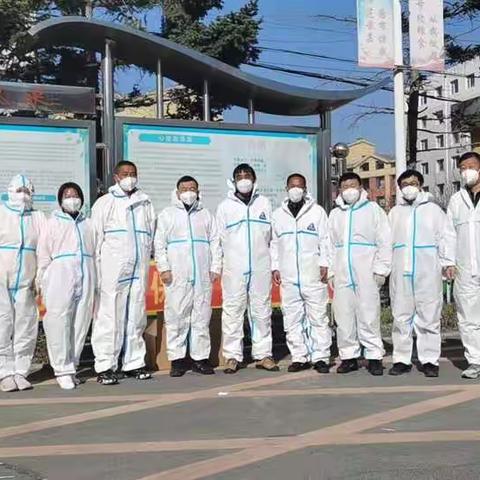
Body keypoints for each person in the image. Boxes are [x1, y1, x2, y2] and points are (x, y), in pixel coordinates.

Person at [91, 161, 156, 385]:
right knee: (109, 317)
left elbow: (151, 233)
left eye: (133, 174)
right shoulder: (105, 203)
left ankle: (133, 362)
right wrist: (96, 273)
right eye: (125, 174)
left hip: (138, 268)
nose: (130, 177)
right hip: (112, 270)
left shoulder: (144, 203)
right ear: (116, 177)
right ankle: (105, 365)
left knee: (136, 316)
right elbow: (96, 239)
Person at [389, 170, 455, 378]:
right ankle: (401, 359)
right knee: (400, 317)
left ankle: (429, 360)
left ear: (420, 185)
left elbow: (447, 238)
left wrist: (448, 263)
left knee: (429, 316)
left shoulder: (434, 211)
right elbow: (385, 243)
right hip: (401, 272)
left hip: (428, 271)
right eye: (405, 184)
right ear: (399, 188)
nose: (409, 187)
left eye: (413, 183)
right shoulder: (395, 213)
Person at [155, 176, 221, 377]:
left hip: (202, 275)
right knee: (177, 315)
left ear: (198, 192)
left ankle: (200, 359)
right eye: (184, 189)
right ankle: (177, 360)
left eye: (192, 188)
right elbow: (159, 244)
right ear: (177, 192)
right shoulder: (167, 214)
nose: (189, 192)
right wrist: (164, 268)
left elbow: (215, 242)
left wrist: (215, 266)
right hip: (177, 275)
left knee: (201, 316)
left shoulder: (206, 215)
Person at [216, 164, 278, 373]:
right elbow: (219, 239)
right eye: (239, 176)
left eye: (247, 175)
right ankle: (233, 356)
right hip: (234, 267)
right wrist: (219, 265)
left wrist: (272, 263)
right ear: (233, 181)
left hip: (260, 265)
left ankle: (263, 354)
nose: (243, 179)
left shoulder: (264, 203)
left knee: (261, 310)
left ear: (254, 178)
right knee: (233, 310)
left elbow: (271, 237)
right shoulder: (225, 206)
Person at [328, 172, 391, 376]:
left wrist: (381, 269)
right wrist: (331, 272)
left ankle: (373, 356)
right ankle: (348, 356)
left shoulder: (373, 210)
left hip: (366, 272)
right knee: (344, 316)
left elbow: (384, 240)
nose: (349, 190)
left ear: (361, 187)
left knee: (368, 314)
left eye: (352, 185)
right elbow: (329, 245)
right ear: (339, 190)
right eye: (344, 186)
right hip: (342, 273)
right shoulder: (335, 214)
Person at [37, 183, 95, 390]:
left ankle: (73, 363)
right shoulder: (52, 223)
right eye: (67, 195)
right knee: (59, 320)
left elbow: (95, 250)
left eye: (76, 195)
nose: (72, 198)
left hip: (86, 271)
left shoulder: (87, 223)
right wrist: (42, 277)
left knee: (81, 321)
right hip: (60, 273)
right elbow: (43, 252)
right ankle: (62, 369)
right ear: (60, 199)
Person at [271, 174, 331, 373]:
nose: (295, 189)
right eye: (292, 186)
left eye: (299, 186)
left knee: (318, 317)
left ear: (305, 189)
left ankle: (321, 356)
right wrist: (275, 266)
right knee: (292, 318)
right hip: (288, 276)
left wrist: (324, 263)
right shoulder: (278, 215)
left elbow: (326, 240)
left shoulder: (317, 212)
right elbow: (273, 243)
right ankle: (299, 356)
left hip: (313, 274)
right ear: (286, 188)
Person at [0, 175, 46, 392]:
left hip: (26, 282)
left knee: (25, 326)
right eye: (20, 190)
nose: (24, 194)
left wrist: (39, 278)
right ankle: (4, 372)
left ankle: (20, 371)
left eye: (28, 191)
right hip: (1, 280)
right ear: (10, 190)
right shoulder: (1, 213)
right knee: (2, 325)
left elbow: (44, 249)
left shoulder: (37, 217)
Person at [447, 152, 480, 379]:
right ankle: (475, 361)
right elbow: (449, 234)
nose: (466, 171)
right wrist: (448, 261)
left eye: (470, 166)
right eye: (462, 167)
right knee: (467, 317)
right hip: (465, 267)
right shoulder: (456, 200)